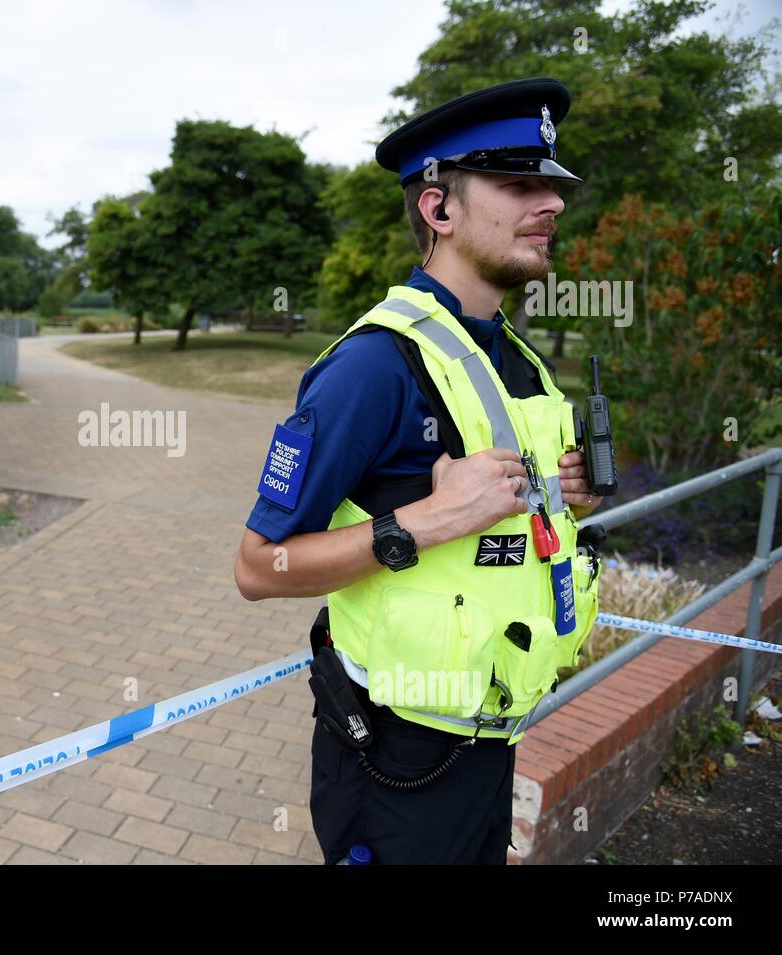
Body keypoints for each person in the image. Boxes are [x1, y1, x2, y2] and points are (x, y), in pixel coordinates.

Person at [233, 77, 606, 864]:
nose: (553, 204)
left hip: (489, 734)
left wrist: (563, 494)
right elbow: (257, 567)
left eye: (552, 185)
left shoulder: (518, 358)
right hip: (393, 758)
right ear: (439, 209)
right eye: (519, 183)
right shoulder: (374, 364)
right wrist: (425, 523)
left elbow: (512, 511)